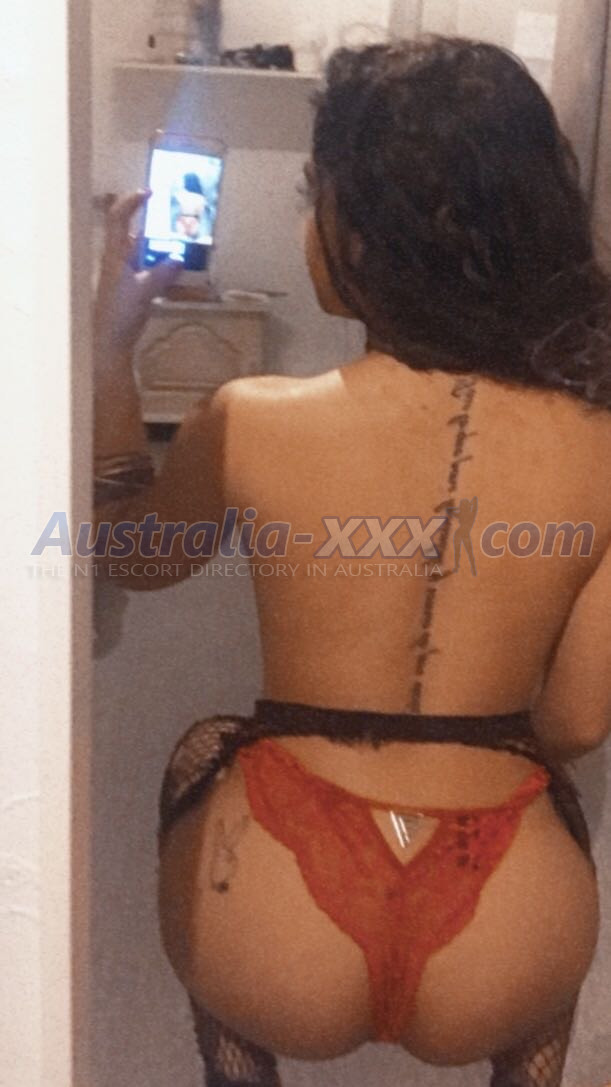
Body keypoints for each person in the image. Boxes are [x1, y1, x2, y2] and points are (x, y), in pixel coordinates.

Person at [93, 37, 611, 1087]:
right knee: (546, 811)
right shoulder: (602, 440)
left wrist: (108, 347)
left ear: (363, 235)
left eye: (314, 197)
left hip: (274, 907)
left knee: (200, 750)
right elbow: (573, 724)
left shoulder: (252, 417)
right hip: (503, 920)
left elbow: (127, 553)